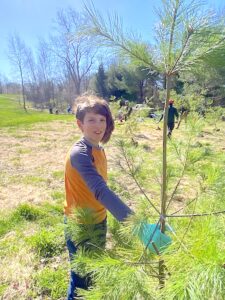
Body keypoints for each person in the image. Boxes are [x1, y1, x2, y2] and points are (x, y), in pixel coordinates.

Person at [64, 95, 171, 299]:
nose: (98, 125)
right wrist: (136, 225)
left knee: (93, 274)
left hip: (98, 220)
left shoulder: (98, 149)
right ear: (80, 124)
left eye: (102, 119)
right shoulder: (79, 153)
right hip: (80, 225)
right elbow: (100, 190)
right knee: (81, 280)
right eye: (91, 120)